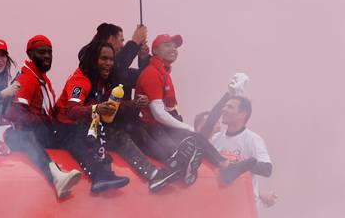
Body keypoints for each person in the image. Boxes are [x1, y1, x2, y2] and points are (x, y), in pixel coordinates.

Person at [5, 35, 128, 198]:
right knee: (75, 134)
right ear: (30, 53)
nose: (47, 56)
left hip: (50, 129)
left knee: (89, 132)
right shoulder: (30, 78)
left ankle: (104, 173)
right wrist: (45, 122)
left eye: (50, 52)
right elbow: (16, 113)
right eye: (42, 52)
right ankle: (96, 175)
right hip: (36, 133)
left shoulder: (42, 78)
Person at [57, 40, 185, 192]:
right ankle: (144, 174)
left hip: (89, 127)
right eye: (104, 59)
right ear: (92, 60)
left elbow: (111, 107)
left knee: (129, 128)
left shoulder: (101, 81)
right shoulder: (80, 81)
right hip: (68, 131)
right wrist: (96, 108)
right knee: (112, 134)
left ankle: (166, 166)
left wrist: (135, 103)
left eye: (111, 59)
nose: (109, 63)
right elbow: (71, 111)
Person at [135, 34, 257, 185]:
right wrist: (187, 127)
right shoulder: (152, 74)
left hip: (159, 127)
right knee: (191, 140)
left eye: (175, 46)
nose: (173, 48)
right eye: (167, 45)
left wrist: (228, 94)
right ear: (156, 50)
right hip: (152, 129)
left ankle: (223, 166)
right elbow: (159, 114)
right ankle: (208, 168)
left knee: (196, 138)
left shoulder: (163, 73)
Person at [211, 96, 277, 209]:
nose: (224, 109)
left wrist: (238, 164)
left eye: (230, 107)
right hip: (220, 203)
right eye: (225, 106)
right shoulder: (215, 138)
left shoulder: (252, 139)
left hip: (244, 207)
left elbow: (267, 169)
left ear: (242, 114)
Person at [78, 23, 149, 99]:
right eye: (121, 41)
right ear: (111, 39)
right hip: (98, 109)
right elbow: (117, 66)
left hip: (118, 110)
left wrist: (143, 57)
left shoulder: (121, 68)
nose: (122, 45)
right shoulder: (88, 55)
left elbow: (144, 78)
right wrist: (134, 42)